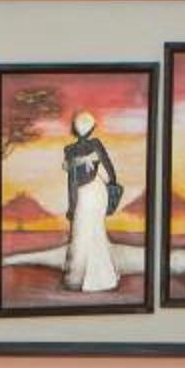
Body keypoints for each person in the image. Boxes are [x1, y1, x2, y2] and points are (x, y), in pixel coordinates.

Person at [58, 109, 123, 293]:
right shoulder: (95, 144)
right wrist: (113, 183)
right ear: (91, 128)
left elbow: (72, 182)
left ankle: (78, 277)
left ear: (75, 129)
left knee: (82, 231)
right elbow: (109, 167)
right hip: (97, 190)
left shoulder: (69, 150)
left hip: (83, 194)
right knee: (96, 229)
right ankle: (103, 276)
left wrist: (72, 206)